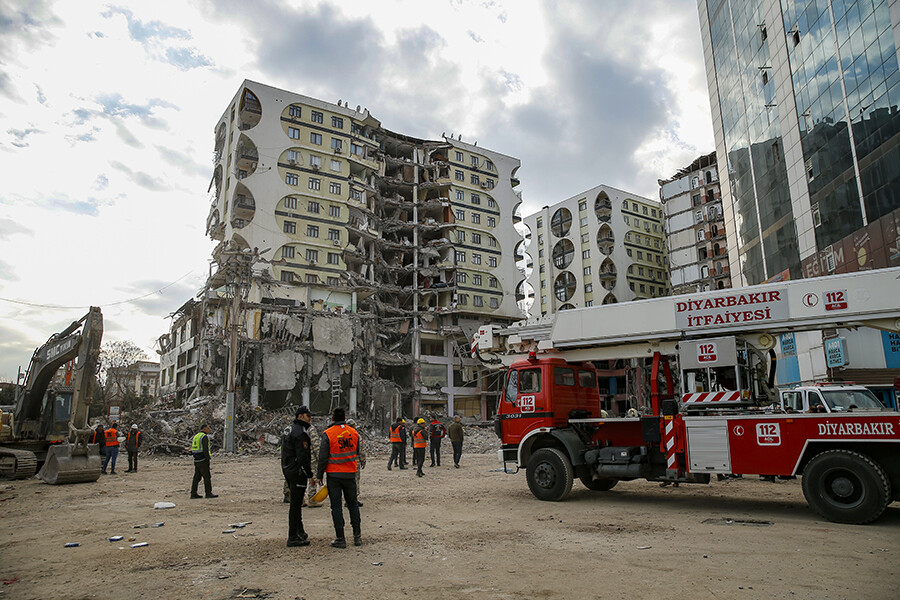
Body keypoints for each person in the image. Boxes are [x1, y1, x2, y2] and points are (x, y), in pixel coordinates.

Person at [316, 407, 362, 548]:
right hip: (350, 474)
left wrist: (319, 474)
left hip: (334, 476)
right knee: (353, 505)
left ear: (332, 418)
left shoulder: (328, 434)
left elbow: (323, 457)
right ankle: (357, 537)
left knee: (336, 507)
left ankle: (340, 539)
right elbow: (357, 451)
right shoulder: (354, 433)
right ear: (345, 417)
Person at [281, 406, 314, 547]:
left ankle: (300, 531)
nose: (310, 419)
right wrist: (310, 475)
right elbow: (302, 456)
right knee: (295, 505)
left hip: (288, 469)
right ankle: (293, 536)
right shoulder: (301, 433)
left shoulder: (288, 430)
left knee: (296, 503)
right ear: (300, 416)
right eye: (308, 416)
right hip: (297, 472)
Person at [190, 424, 217, 499]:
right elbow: (205, 449)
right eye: (208, 428)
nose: (209, 430)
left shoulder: (196, 436)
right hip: (203, 459)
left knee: (196, 477)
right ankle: (208, 493)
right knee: (207, 476)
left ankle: (193, 493)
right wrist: (208, 458)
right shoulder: (204, 437)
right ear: (204, 429)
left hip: (196, 459)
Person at [346, 418, 366, 507]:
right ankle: (354, 499)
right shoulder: (356, 435)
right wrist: (363, 460)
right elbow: (361, 449)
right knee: (355, 480)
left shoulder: (343, 435)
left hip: (345, 461)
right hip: (354, 461)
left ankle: (347, 500)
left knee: (347, 480)